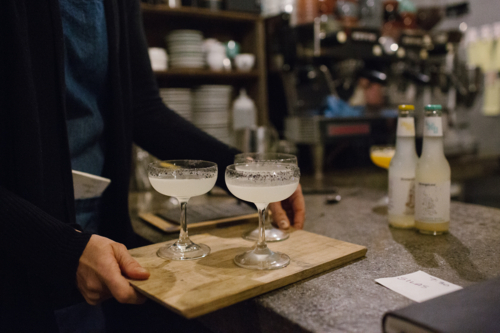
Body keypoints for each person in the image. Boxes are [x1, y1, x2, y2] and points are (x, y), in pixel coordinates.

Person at [0, 0, 306, 331]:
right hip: (18, 254)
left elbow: (143, 108)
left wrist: (242, 172)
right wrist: (59, 250)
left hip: (99, 237)